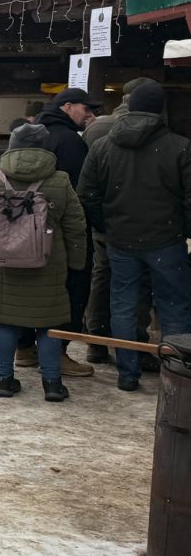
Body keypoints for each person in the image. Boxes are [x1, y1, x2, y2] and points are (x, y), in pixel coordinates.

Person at [78, 79, 191, 392]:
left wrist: (106, 224)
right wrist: (184, 229)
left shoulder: (103, 146)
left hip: (120, 239)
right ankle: (176, 375)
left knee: (123, 305)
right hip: (167, 240)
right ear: (161, 110)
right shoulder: (181, 147)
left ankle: (127, 373)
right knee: (174, 306)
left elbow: (87, 193)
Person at [0, 123, 88, 403]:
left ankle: (4, 380)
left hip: (2, 264)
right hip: (49, 265)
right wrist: (76, 264)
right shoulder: (60, 181)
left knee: (7, 322)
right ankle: (52, 383)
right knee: (47, 324)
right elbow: (75, 226)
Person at [82, 78, 154, 364]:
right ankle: (136, 344)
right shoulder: (156, 131)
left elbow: (88, 181)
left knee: (102, 276)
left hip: (106, 219)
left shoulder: (97, 128)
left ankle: (96, 339)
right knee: (139, 282)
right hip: (143, 222)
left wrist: (99, 219)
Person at [29, 87, 100, 377]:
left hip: (29, 227)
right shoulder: (69, 140)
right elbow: (81, 189)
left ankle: (25, 347)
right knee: (72, 287)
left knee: (32, 287)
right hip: (64, 229)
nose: (89, 114)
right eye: (86, 108)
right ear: (68, 106)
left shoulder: (34, 133)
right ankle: (57, 352)